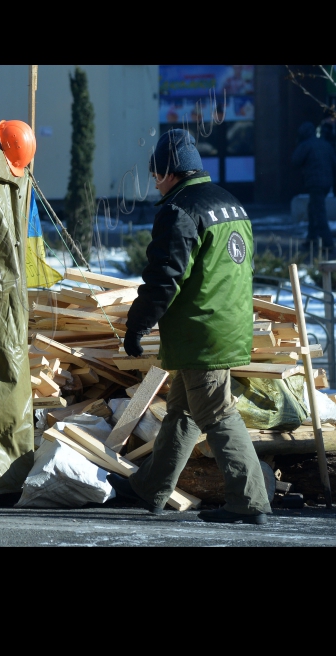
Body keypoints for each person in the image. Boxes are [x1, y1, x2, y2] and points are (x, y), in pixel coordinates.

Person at [107, 128, 271, 525]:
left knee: (216, 413)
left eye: (155, 174)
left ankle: (250, 501)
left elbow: (165, 276)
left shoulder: (180, 209)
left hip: (201, 333)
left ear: (168, 170)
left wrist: (137, 325)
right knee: (182, 410)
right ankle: (153, 487)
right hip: (226, 324)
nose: (154, 183)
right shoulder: (231, 204)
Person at [292, 121, 336, 250]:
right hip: (326, 183)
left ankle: (328, 243)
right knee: (313, 209)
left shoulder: (306, 145)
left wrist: (298, 144)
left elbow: (295, 160)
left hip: (315, 182)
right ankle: (312, 238)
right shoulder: (325, 144)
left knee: (318, 212)